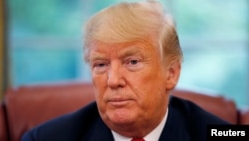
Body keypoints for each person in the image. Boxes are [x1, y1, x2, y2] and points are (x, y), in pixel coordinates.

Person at [22, 0, 230, 141]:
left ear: (171, 73)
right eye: (101, 65)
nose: (113, 80)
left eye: (132, 62)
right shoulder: (45, 138)